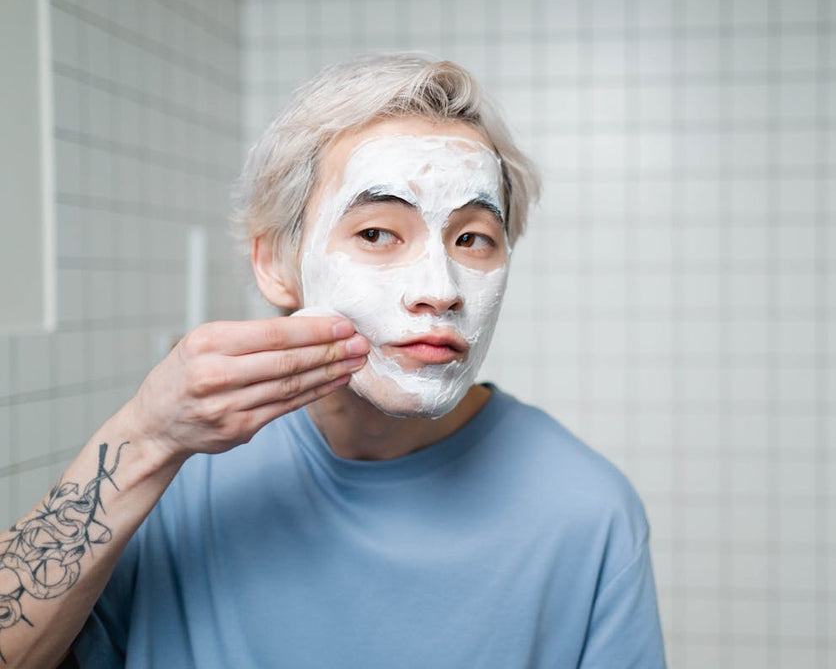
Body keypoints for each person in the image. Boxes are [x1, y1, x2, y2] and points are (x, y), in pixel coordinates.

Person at [0, 53, 666, 668]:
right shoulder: (182, 471)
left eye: (472, 238)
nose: (439, 288)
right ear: (274, 264)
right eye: (377, 232)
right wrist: (144, 436)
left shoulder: (587, 512)